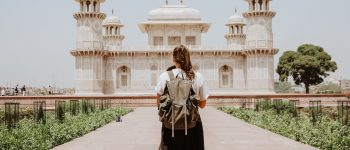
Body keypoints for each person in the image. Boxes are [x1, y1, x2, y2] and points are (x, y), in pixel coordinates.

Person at [156, 45, 209, 150]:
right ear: (188, 58)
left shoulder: (164, 76)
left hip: (170, 127)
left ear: (173, 60)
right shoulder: (197, 76)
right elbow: (202, 105)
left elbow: (159, 103)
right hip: (192, 127)